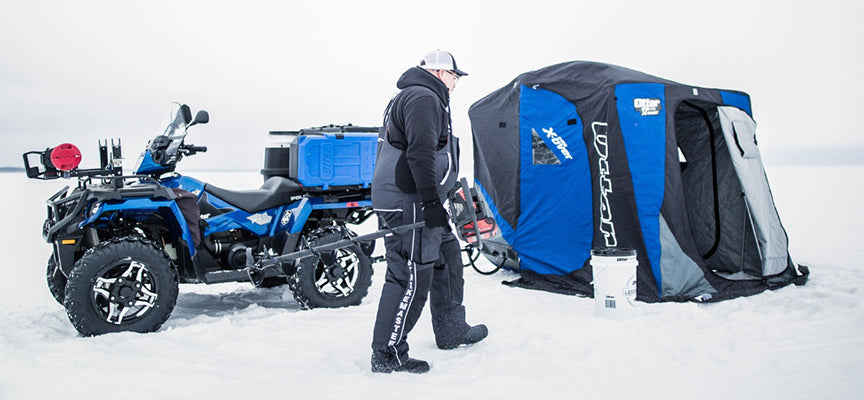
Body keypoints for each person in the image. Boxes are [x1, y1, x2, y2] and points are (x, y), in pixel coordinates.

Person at [370, 50, 487, 374]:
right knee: (408, 276)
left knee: (447, 256)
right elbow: (419, 154)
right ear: (438, 72)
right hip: (409, 201)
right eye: (454, 76)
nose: (456, 83)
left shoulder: (417, 95)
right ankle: (387, 352)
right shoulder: (423, 97)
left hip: (415, 197)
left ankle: (451, 330)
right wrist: (432, 204)